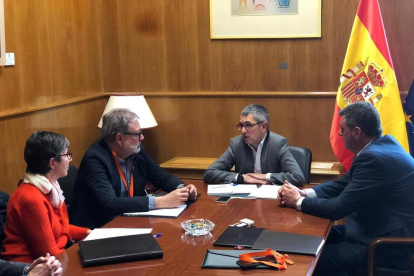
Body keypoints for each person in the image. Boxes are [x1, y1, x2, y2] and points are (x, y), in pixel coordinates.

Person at [278, 102, 414, 275]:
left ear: (356, 132)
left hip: (387, 245)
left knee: (310, 260)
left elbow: (338, 208)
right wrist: (305, 193)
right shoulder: (380, 145)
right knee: (311, 241)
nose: (339, 133)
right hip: (375, 228)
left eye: (342, 129)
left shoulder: (374, 158)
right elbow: (343, 183)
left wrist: (297, 201)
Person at [69, 108, 197, 229]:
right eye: (137, 134)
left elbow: (161, 177)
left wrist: (182, 189)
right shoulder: (95, 159)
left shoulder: (136, 151)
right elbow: (110, 203)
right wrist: (161, 201)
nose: (142, 137)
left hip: (130, 220)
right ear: (120, 138)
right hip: (99, 227)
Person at [1, 131, 90, 263]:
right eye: (67, 154)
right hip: (30, 265)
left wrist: (90, 233)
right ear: (52, 163)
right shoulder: (31, 198)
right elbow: (48, 253)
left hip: (57, 258)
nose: (70, 159)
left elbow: (61, 229)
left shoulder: (50, 187)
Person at [203, 104, 304, 186]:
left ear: (263, 127)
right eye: (241, 125)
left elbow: (297, 177)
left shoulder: (278, 144)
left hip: (272, 201)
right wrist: (241, 177)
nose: (243, 131)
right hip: (244, 202)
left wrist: (265, 176)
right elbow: (210, 173)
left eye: (248, 125)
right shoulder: (237, 144)